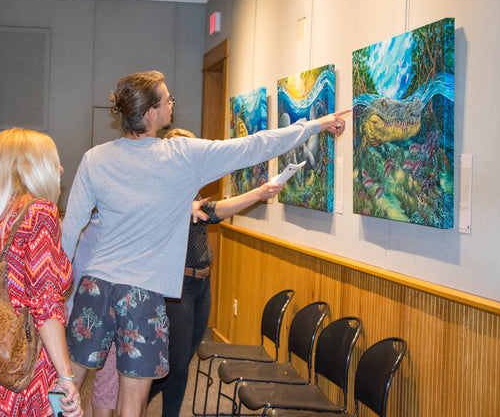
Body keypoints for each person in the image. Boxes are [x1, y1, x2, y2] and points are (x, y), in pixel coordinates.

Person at [61, 70, 349, 417]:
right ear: (151, 114)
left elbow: (70, 231)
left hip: (96, 287)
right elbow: (254, 145)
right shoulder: (182, 156)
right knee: (132, 401)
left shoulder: (95, 158)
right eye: (167, 99)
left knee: (66, 387)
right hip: (141, 295)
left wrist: (59, 295)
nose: (172, 104)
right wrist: (314, 125)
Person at [73, 128, 285, 417]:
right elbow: (212, 211)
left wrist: (260, 192)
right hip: (172, 286)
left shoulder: (189, 193)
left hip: (199, 283)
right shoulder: (163, 194)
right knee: (157, 368)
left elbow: (211, 210)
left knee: (177, 362)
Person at [0, 128, 83, 417]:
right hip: (25, 367)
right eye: (54, 161)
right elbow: (45, 304)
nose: (61, 168)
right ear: (34, 167)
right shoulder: (39, 213)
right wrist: (67, 376)